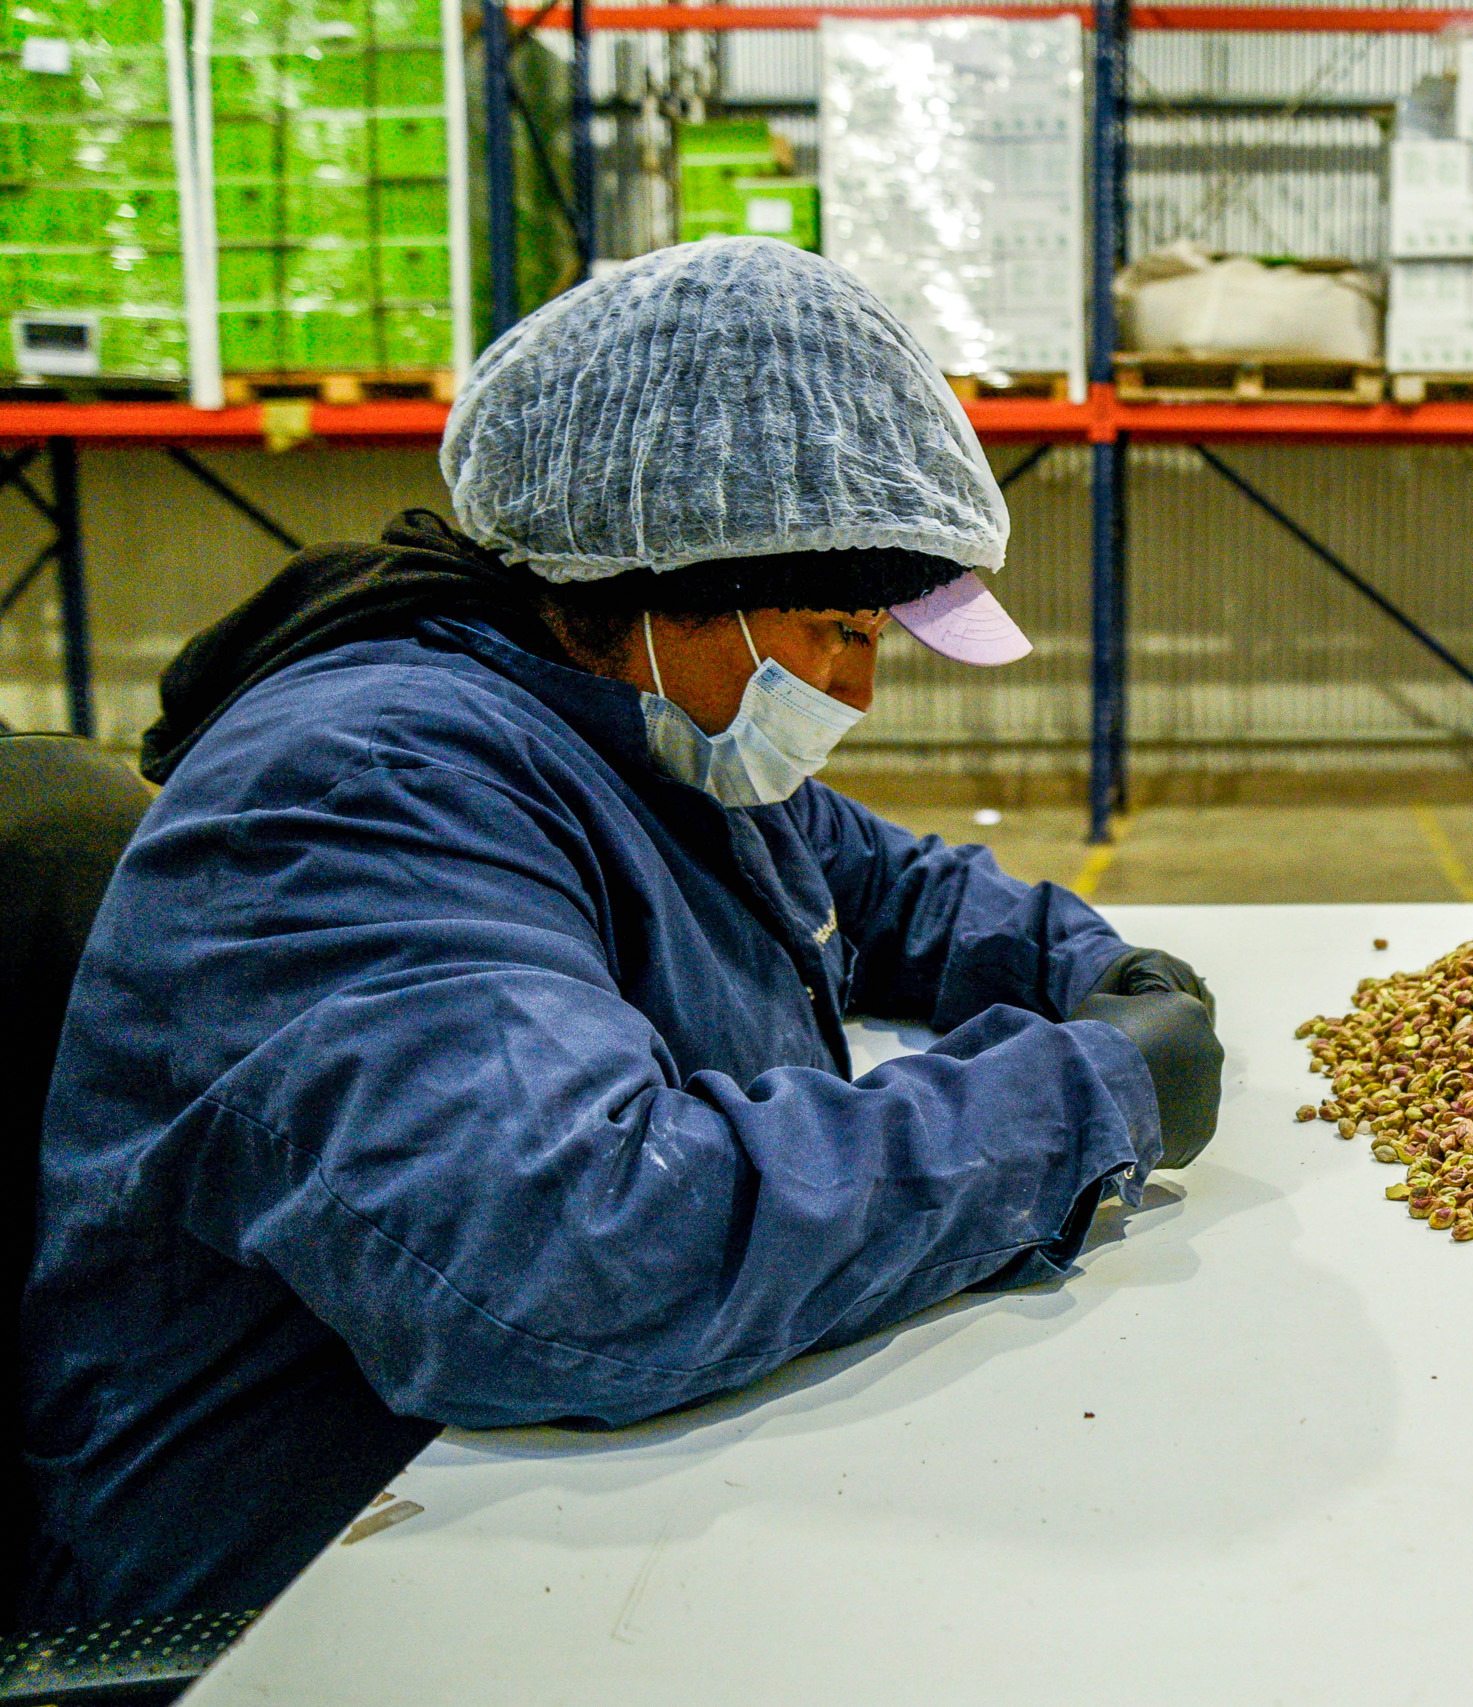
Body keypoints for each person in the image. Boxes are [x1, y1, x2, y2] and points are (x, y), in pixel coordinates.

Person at [16, 238, 1222, 1625]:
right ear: (654, 584)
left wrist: (1089, 968)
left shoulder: (639, 728)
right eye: (839, 630)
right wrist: (1083, 1097)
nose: (858, 691)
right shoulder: (368, 794)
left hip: (555, 1502)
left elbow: (876, 885)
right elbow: (576, 1252)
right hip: (301, 1586)